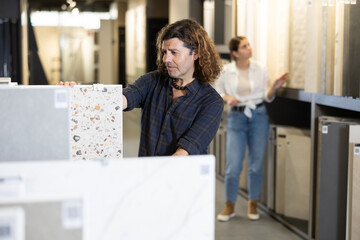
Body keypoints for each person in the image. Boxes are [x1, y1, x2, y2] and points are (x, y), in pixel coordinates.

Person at [121, 19, 224, 156]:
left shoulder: (211, 101)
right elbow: (124, 98)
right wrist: (88, 98)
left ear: (196, 54)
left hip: (181, 175)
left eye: (174, 52)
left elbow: (186, 150)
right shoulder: (151, 81)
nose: (166, 59)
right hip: (148, 173)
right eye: (165, 52)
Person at [216, 36, 288, 221]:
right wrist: (227, 98)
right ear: (235, 53)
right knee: (233, 165)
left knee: (256, 165)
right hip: (236, 117)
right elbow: (218, 92)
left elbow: (266, 95)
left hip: (258, 116)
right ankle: (230, 206)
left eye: (249, 45)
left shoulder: (260, 68)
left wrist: (275, 87)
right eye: (244, 46)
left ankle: (253, 204)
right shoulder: (226, 71)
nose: (249, 48)